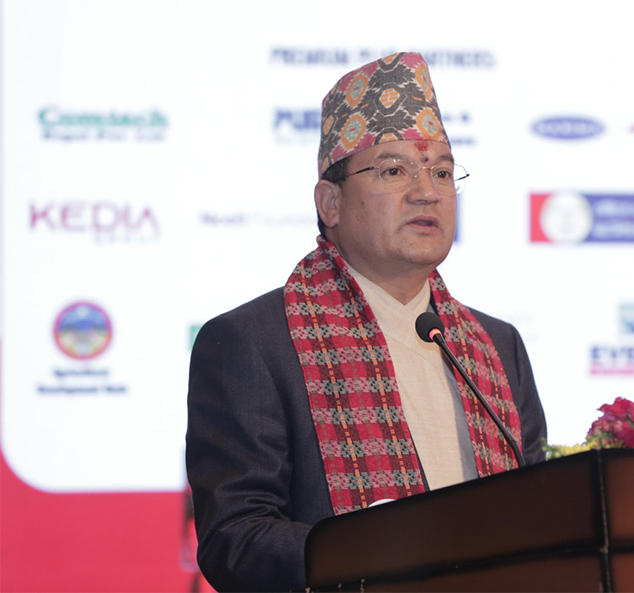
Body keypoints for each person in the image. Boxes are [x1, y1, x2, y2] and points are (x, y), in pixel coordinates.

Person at [185, 51, 547, 592]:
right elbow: (235, 541)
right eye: (394, 170)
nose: (427, 191)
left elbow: (543, 514)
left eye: (442, 172)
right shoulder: (253, 343)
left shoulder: (496, 345)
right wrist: (378, 548)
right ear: (330, 203)